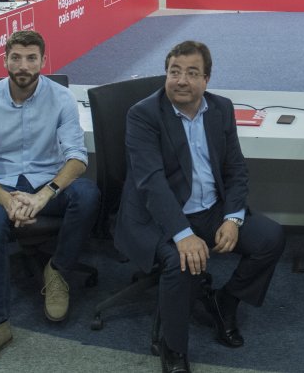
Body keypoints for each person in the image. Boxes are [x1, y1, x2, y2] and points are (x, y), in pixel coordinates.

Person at [116, 41, 286, 373]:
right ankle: (173, 348)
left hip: (211, 209)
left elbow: (236, 169)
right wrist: (182, 234)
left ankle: (226, 302)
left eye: (192, 73)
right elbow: (152, 183)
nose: (181, 80)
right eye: (174, 71)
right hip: (157, 217)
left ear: (206, 80)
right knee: (182, 262)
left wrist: (233, 218)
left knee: (270, 238)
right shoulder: (144, 115)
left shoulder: (221, 109)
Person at [0, 30, 100, 371]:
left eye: (31, 58)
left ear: (43, 60)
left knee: (88, 195)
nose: (23, 66)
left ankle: (57, 270)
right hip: (1, 186)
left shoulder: (62, 98)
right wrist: (6, 201)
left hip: (45, 185)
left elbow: (76, 157)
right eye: (16, 58)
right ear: (5, 59)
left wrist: (43, 196)